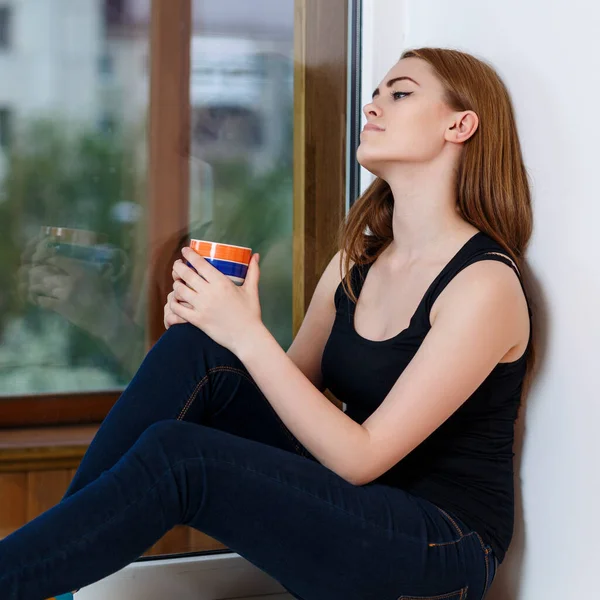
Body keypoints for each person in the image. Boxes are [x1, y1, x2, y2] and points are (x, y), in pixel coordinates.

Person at [0, 47, 534, 600]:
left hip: (438, 548)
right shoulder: (359, 260)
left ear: (460, 124)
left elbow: (361, 456)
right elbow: (287, 392)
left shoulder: (484, 285)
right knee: (196, 353)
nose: (373, 107)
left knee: (184, 457)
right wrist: (214, 327)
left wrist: (247, 333)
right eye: (374, 94)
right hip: (362, 506)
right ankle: (50, 583)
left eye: (399, 93)